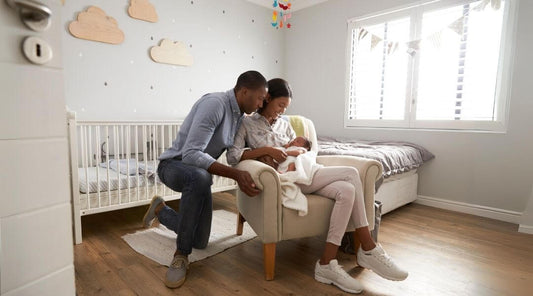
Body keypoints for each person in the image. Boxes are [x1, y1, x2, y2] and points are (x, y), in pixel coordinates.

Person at [226, 78, 408, 294]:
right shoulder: (247, 123)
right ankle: (368, 247)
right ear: (267, 99)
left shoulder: (285, 125)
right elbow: (233, 156)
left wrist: (295, 151)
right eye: (280, 105)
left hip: (304, 174)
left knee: (347, 190)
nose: (282, 111)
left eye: (286, 107)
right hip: (283, 181)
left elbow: (303, 150)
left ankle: (326, 263)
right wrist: (267, 151)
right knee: (350, 174)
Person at [142, 70, 267, 289]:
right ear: (244, 91)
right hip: (173, 166)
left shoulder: (239, 117)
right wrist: (236, 174)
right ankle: (181, 255)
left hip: (198, 177)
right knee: (201, 177)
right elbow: (191, 154)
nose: (260, 103)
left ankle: (160, 210)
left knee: (200, 241)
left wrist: (265, 152)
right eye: (259, 98)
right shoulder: (215, 104)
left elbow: (232, 155)